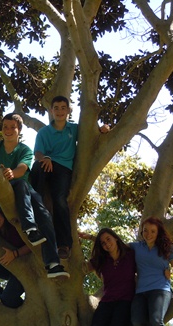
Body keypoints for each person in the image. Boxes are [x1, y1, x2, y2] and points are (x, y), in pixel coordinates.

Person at [0, 113, 69, 279]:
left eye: (13, 127)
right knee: (21, 185)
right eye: (5, 127)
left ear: (19, 130)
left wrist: (12, 173)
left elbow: (23, 168)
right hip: (5, 194)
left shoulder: (24, 150)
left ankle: (53, 264)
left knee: (45, 216)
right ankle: (29, 227)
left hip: (24, 189)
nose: (8, 130)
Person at [32, 96, 110, 259]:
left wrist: (103, 129)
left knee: (60, 199)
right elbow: (38, 152)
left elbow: (92, 134)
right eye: (56, 108)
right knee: (37, 182)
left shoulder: (74, 129)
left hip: (63, 168)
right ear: (51, 111)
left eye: (63, 108)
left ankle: (64, 244)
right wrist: (44, 158)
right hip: (46, 163)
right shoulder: (44, 132)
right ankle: (34, 220)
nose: (60, 111)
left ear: (68, 110)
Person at [80, 228, 137, 326]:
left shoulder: (130, 254)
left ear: (116, 238)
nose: (106, 244)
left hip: (125, 301)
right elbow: (83, 268)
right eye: (103, 243)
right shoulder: (101, 259)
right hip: (107, 301)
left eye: (108, 239)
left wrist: (91, 236)